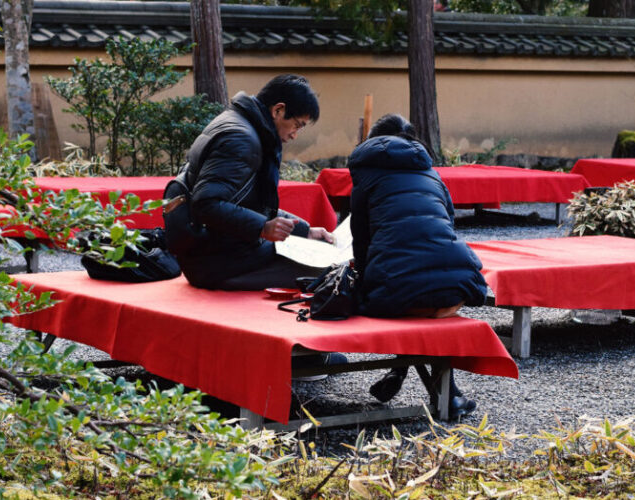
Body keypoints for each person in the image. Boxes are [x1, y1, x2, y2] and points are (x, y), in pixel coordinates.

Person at [348, 114, 487, 418]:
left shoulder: (366, 174)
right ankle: (448, 395)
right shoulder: (432, 174)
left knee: (405, 291)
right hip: (454, 289)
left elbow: (361, 238)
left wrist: (360, 273)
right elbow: (447, 226)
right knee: (421, 292)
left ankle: (402, 373)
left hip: (396, 295)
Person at [164, 74, 334, 291]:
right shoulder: (241, 139)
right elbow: (206, 203)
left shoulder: (239, 124)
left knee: (315, 250)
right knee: (325, 273)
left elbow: (248, 203)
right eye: (297, 125)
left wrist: (304, 231)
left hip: (212, 253)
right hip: (216, 263)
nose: (295, 135)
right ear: (278, 110)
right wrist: (263, 227)